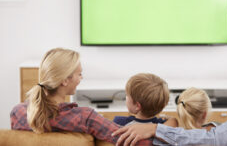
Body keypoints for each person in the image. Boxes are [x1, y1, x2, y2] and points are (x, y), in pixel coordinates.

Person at [10, 48, 151, 145]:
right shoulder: (85, 117)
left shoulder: (18, 113)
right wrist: (157, 129)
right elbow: (130, 141)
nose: (81, 78)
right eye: (79, 74)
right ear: (65, 80)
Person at [113, 73, 178, 127]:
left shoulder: (120, 122)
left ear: (137, 106)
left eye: (127, 95)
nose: (126, 98)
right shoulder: (162, 127)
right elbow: (174, 123)